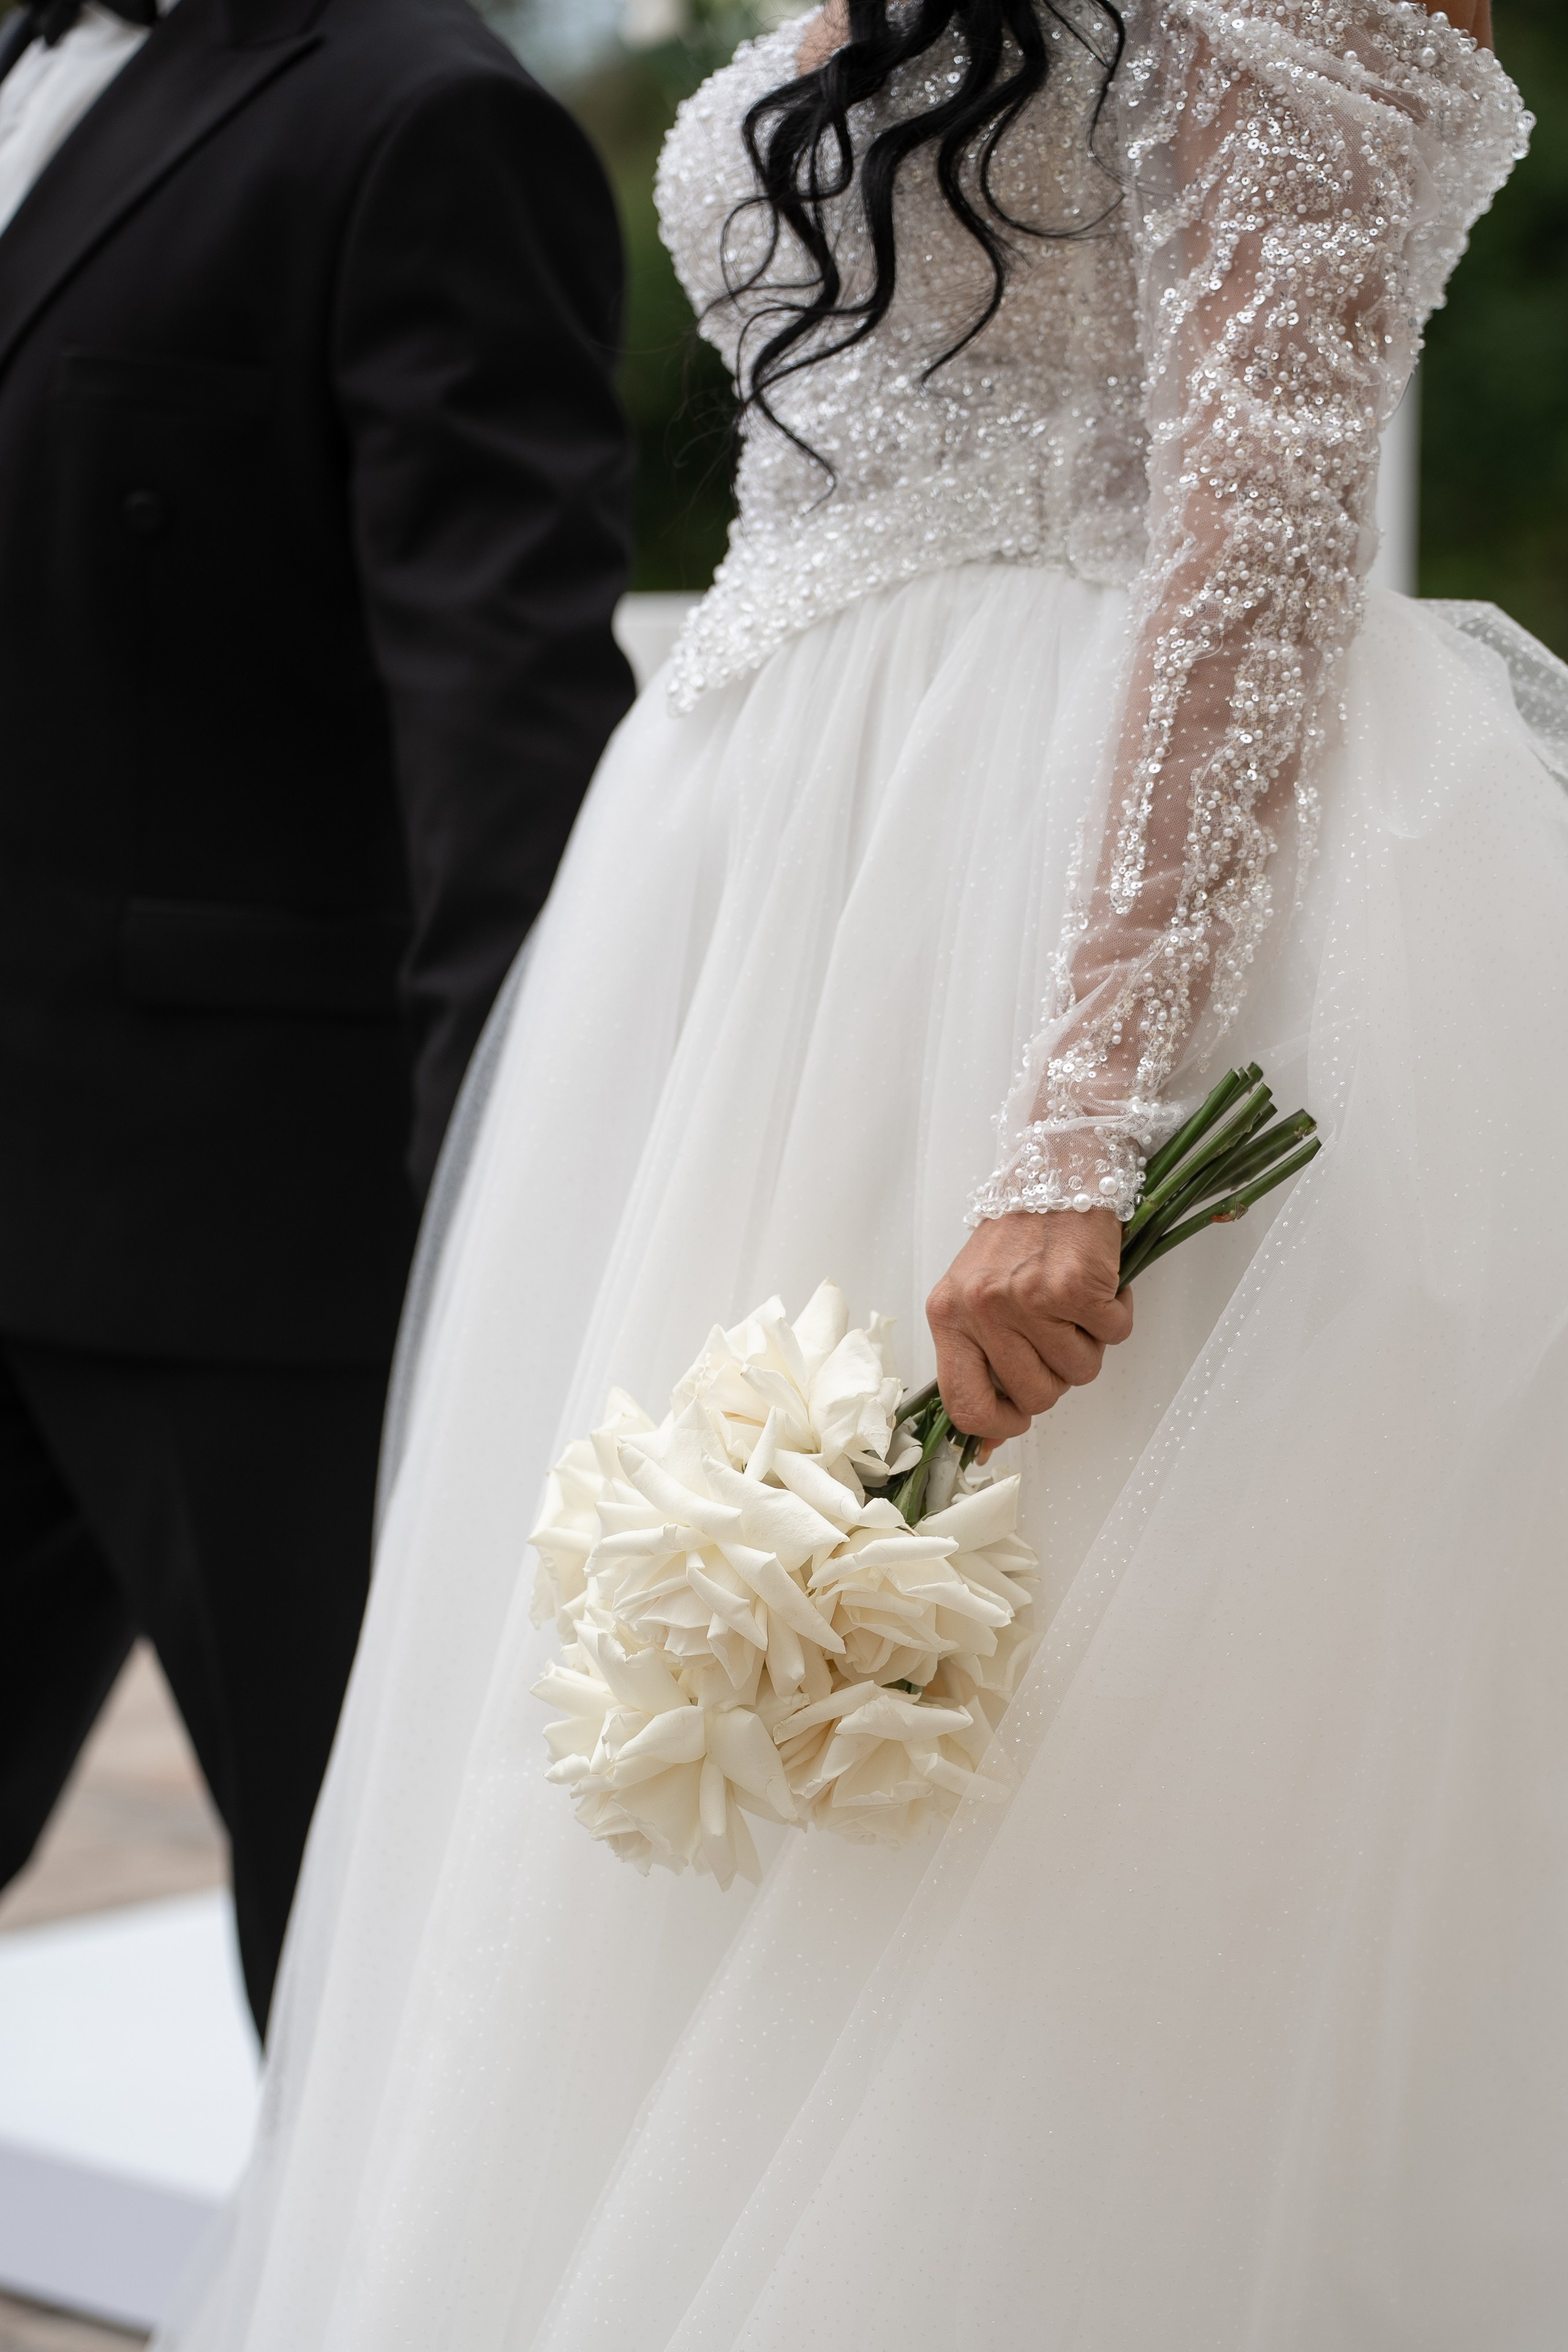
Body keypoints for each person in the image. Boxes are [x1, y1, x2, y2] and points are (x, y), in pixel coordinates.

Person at [170, 0, 1568, 2342]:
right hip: (755, 912)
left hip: (1058, 916)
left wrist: (1078, 1134)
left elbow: (1260, 547)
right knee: (698, 1712)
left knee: (1073, 1763)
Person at [0, 0, 635, 2037]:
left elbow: (505, 730)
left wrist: (504, 1224)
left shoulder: (420, 120)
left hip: (265, 1245)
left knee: (358, 1958)